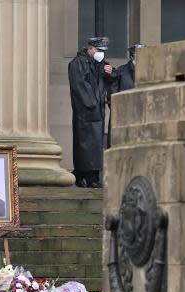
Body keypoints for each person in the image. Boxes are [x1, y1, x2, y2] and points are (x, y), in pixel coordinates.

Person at [68, 36, 113, 188]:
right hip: (85, 113)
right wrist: (92, 104)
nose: (101, 53)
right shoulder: (77, 64)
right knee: (85, 145)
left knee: (94, 147)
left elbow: (111, 79)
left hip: (97, 113)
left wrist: (110, 72)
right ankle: (84, 175)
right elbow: (80, 86)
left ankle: (91, 176)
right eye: (99, 50)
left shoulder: (100, 64)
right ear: (91, 48)